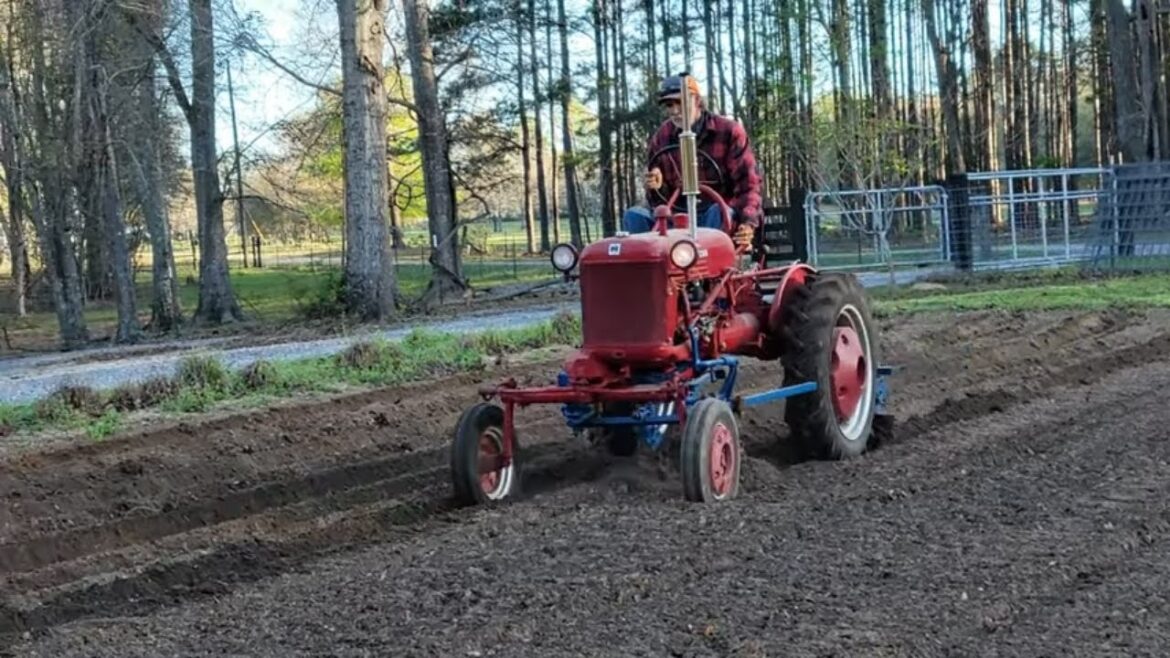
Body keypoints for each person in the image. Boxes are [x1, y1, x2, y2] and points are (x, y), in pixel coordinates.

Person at [622, 74, 762, 251]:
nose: (674, 110)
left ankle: (707, 270)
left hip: (718, 218)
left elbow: (749, 184)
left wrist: (747, 223)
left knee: (718, 210)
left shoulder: (729, 131)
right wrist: (656, 185)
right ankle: (647, 272)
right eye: (669, 105)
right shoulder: (661, 137)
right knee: (634, 216)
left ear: (696, 100)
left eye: (680, 102)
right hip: (678, 220)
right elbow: (658, 202)